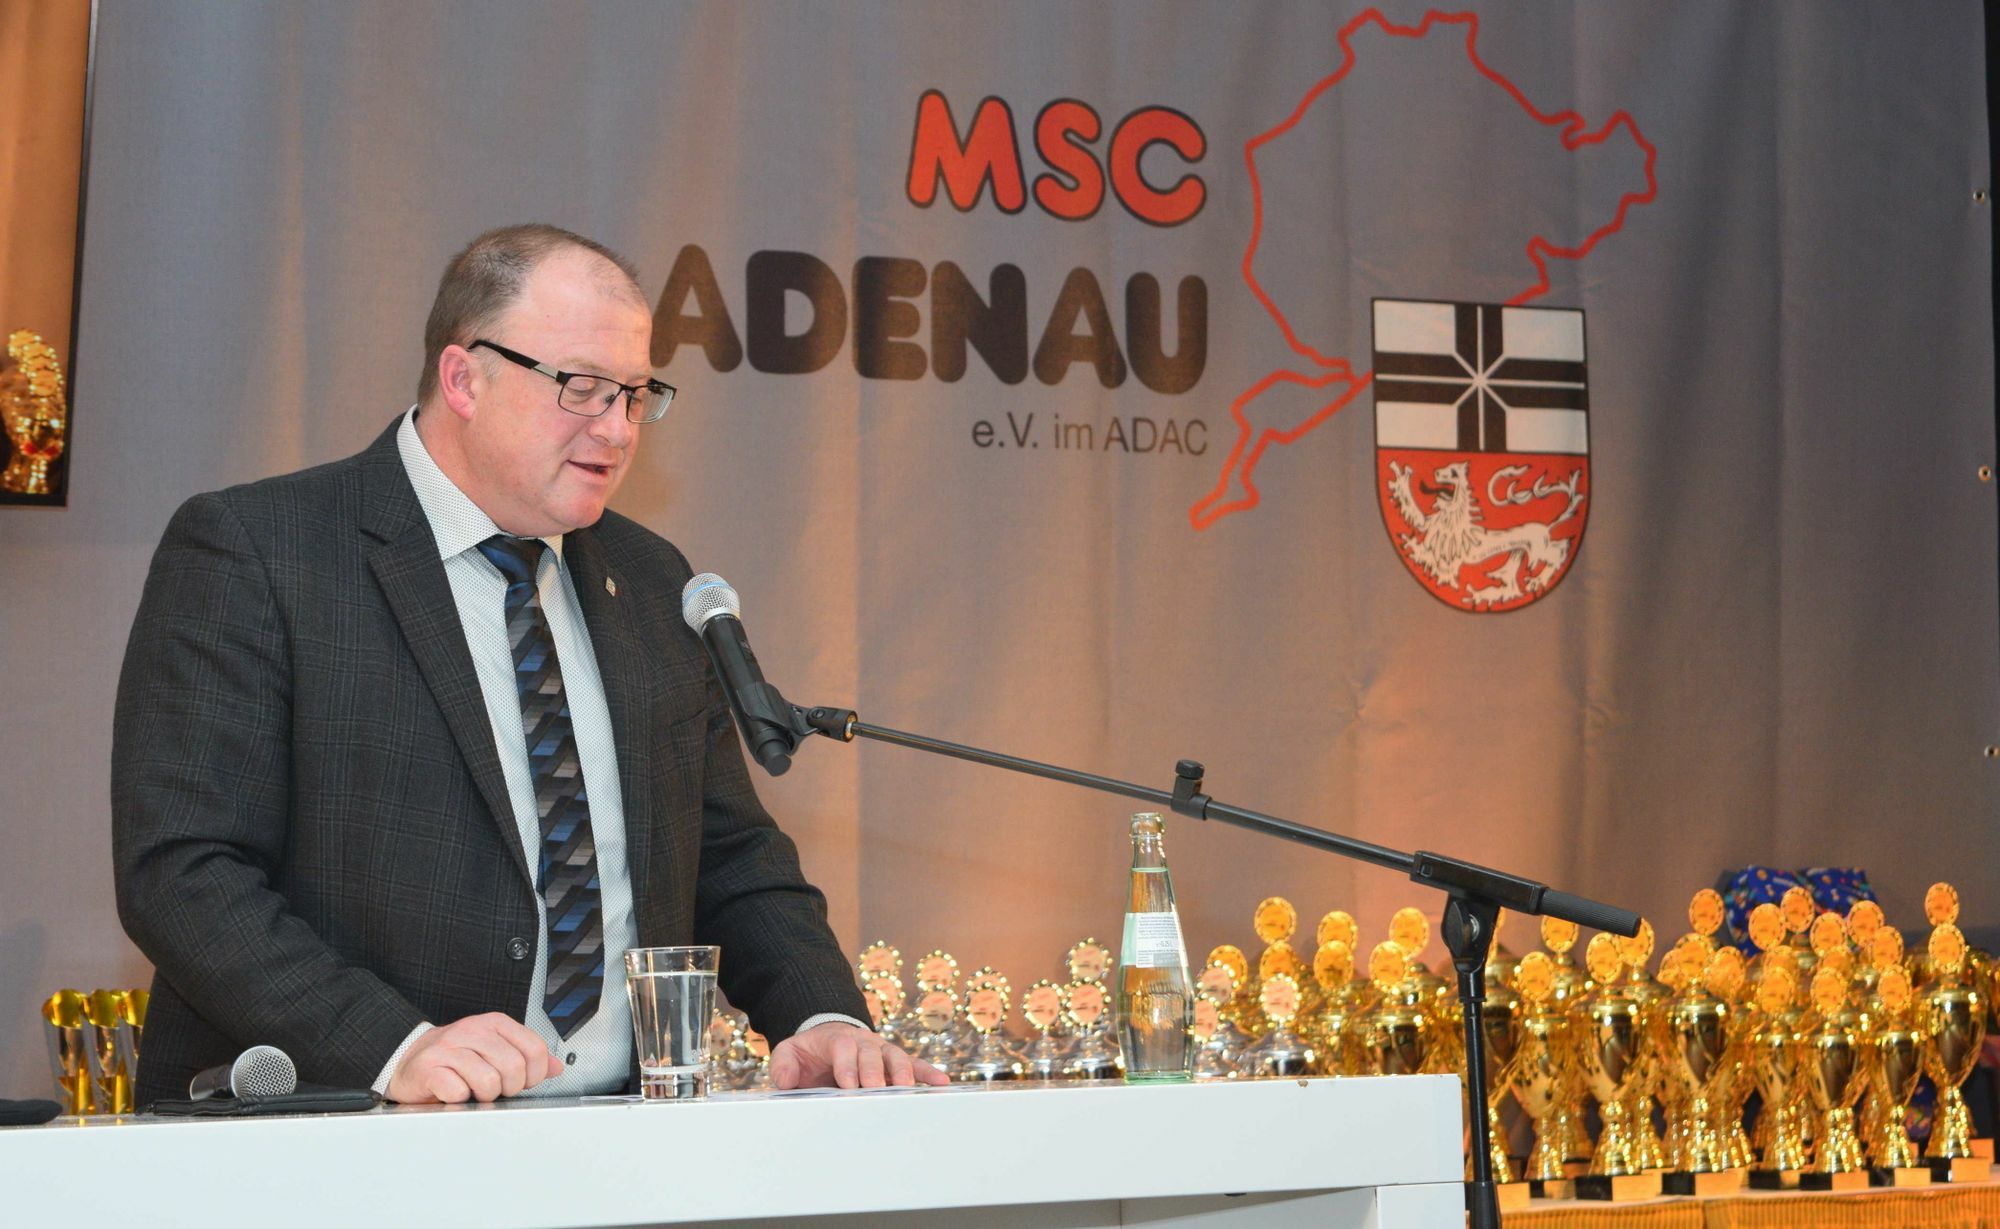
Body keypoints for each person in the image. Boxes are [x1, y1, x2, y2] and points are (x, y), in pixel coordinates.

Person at [112, 223, 943, 1106]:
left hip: (616, 1134)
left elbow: (730, 855)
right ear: (464, 378)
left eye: (637, 395)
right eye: (582, 389)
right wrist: (395, 1047)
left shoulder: (651, 579)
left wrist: (823, 1020)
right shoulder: (261, 551)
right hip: (346, 1129)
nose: (617, 429)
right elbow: (184, 870)